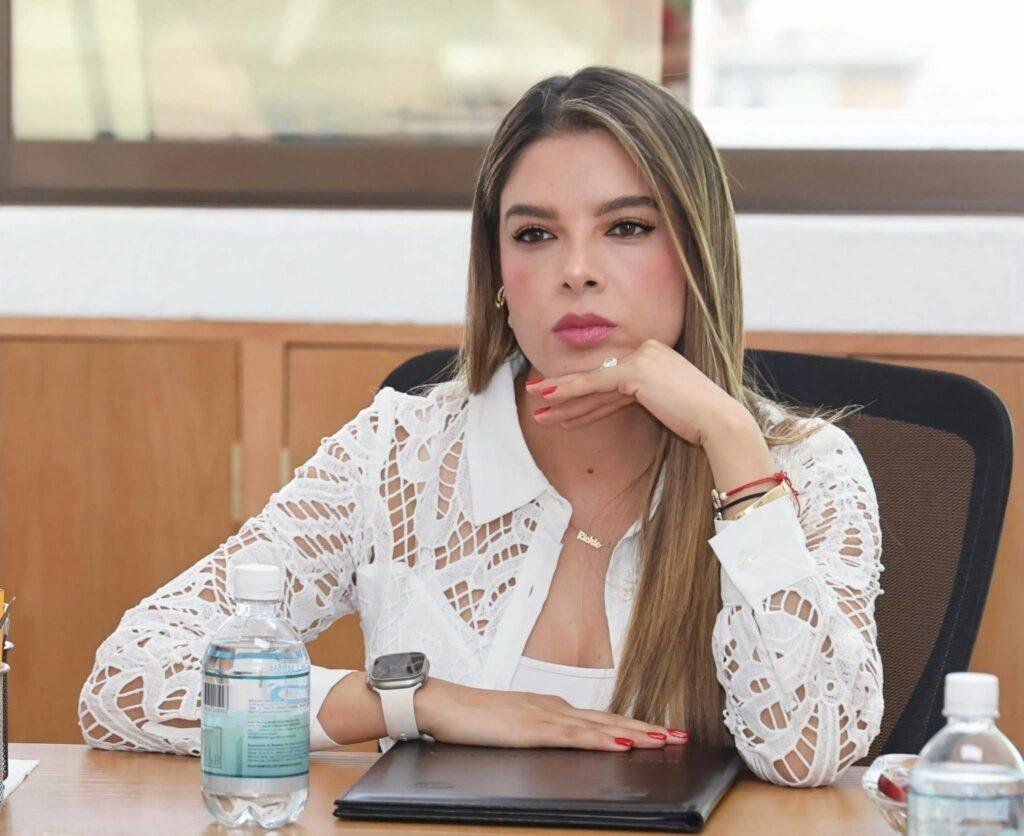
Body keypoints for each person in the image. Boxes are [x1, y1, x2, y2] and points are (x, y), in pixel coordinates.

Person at [78, 66, 884, 788]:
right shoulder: (397, 455)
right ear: (499, 273)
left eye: (626, 227)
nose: (577, 270)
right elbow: (127, 679)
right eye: (535, 234)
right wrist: (412, 702)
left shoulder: (809, 472)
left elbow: (807, 751)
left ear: (696, 255)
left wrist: (731, 441)